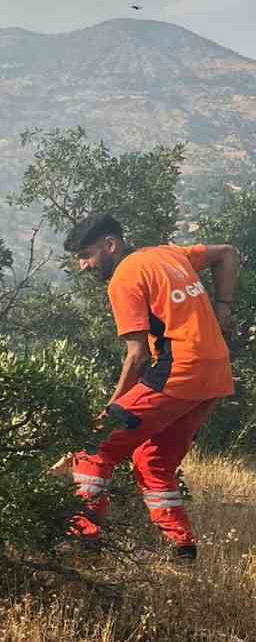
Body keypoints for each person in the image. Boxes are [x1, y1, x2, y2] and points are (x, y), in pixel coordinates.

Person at [60, 212, 239, 558]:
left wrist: (108, 412)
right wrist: (224, 310)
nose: (83, 266)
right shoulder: (169, 254)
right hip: (215, 375)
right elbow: (229, 252)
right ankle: (182, 549)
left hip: (179, 373)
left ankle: (84, 541)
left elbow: (137, 356)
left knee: (95, 446)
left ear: (110, 245)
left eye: (86, 255)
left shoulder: (123, 278)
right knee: (152, 459)